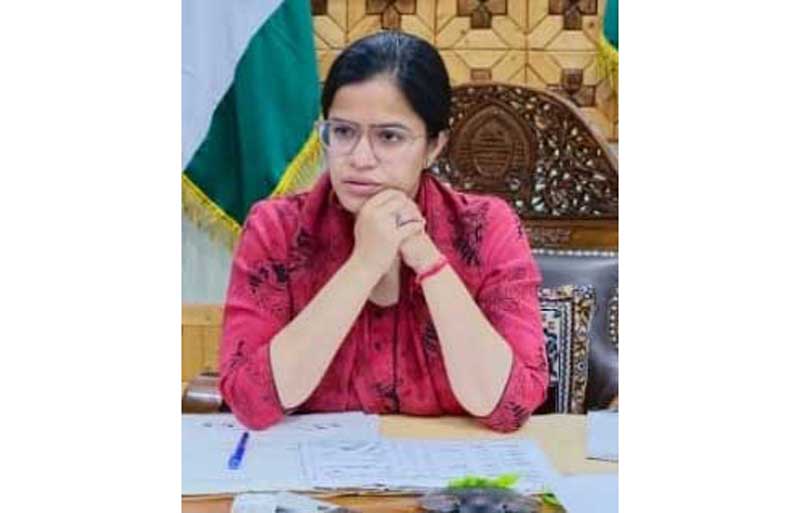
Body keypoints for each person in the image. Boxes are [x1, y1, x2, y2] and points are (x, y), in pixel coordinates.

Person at [219, 31, 548, 433]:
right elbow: (250, 402)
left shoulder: (486, 227)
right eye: (343, 132)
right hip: (314, 468)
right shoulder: (276, 229)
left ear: (434, 146)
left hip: (448, 467)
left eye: (389, 137)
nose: (359, 158)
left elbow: (509, 407)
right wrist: (364, 264)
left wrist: (427, 259)